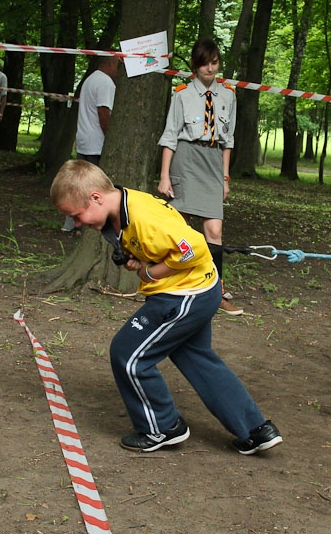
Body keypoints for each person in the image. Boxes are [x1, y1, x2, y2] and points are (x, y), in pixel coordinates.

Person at [50, 159, 283, 455]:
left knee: (129, 355)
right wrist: (140, 259)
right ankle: (255, 430)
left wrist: (150, 273)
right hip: (195, 289)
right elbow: (158, 245)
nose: (79, 224)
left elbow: (195, 249)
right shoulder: (121, 205)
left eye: (78, 216)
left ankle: (162, 427)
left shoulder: (144, 217)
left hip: (186, 295)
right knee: (196, 358)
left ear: (96, 197)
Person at [157, 39, 241, 315]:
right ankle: (177, 285)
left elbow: (228, 140)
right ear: (196, 64)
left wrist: (225, 177)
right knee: (182, 227)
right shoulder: (182, 94)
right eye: (205, 63)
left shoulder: (228, 94)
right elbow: (170, 136)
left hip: (214, 162)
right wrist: (164, 176)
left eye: (214, 62)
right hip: (187, 159)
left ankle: (215, 291)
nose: (210, 68)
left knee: (214, 230)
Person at [62, 55, 119, 232]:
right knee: (95, 187)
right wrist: (110, 136)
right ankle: (87, 224)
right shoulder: (105, 83)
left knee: (79, 184)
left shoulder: (90, 79)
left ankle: (70, 223)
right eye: (118, 65)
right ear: (110, 63)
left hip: (85, 139)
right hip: (97, 142)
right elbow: (103, 112)